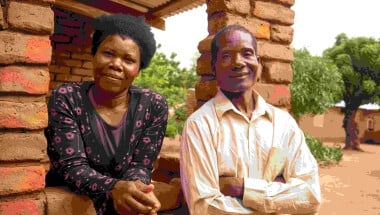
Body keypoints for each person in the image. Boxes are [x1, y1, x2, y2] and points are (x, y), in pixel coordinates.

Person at [179, 25, 321, 215]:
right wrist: (280, 199)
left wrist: (241, 187)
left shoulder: (284, 124)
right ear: (214, 68)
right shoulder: (200, 125)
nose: (238, 62)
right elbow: (204, 208)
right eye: (227, 56)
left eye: (247, 53)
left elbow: (310, 196)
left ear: (258, 63)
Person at [45, 13, 168, 215]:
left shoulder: (153, 106)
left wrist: (135, 190)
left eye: (128, 59)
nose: (116, 65)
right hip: (69, 205)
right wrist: (114, 188)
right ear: (94, 54)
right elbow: (72, 167)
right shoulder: (67, 97)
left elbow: (141, 165)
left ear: (139, 68)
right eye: (109, 53)